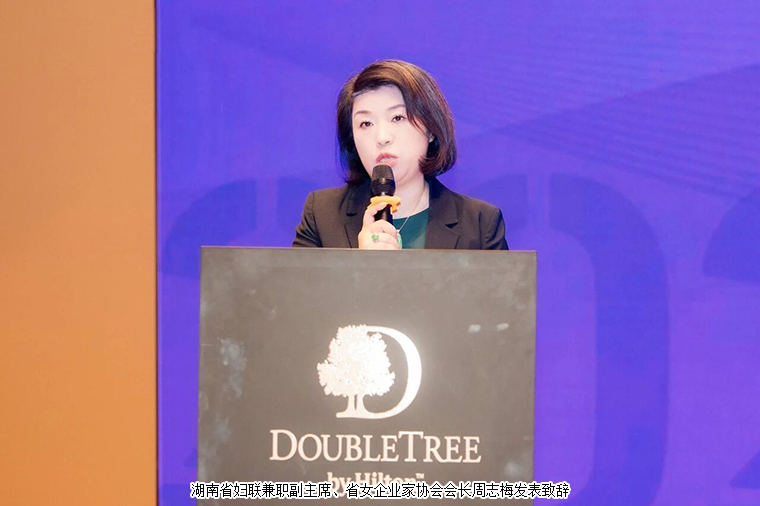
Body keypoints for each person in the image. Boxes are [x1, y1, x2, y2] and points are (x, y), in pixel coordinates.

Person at [292, 59, 508, 250]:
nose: (382, 138)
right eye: (366, 123)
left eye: (397, 118)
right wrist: (360, 266)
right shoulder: (322, 215)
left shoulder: (480, 225)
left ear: (430, 129)